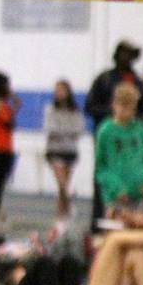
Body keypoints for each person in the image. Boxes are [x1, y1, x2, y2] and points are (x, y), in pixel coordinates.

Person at [93, 84, 143, 223]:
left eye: (131, 108)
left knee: (141, 235)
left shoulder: (140, 129)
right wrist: (116, 189)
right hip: (117, 198)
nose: (126, 112)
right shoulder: (106, 131)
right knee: (118, 236)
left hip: (141, 194)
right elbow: (101, 168)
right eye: (123, 106)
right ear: (114, 105)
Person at [43, 80, 83, 220]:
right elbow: (49, 128)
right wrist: (66, 131)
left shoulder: (75, 110)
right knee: (62, 183)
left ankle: (61, 216)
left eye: (61, 90)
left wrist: (63, 131)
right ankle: (66, 207)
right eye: (56, 90)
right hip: (54, 150)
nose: (58, 93)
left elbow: (78, 129)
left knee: (62, 187)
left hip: (70, 151)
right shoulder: (50, 109)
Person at [0, 73, 19, 222]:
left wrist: (10, 94)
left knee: (0, 184)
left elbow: (17, 104)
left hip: (5, 149)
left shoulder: (5, 105)